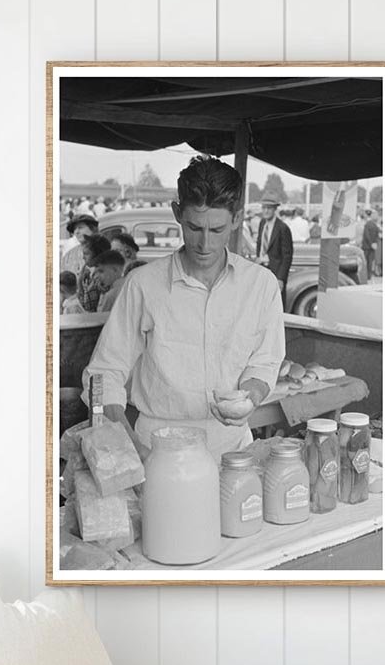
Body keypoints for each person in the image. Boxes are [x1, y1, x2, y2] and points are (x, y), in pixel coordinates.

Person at [84, 155, 285, 459]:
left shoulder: (261, 285)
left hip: (232, 450)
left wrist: (250, 396)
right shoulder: (143, 285)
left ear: (237, 219)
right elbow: (104, 374)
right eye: (194, 227)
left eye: (217, 230)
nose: (205, 244)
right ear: (177, 213)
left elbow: (266, 360)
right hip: (156, 448)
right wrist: (131, 447)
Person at [254, 197, 293, 305]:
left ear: (275, 209)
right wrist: (258, 257)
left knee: (275, 305)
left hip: (275, 272)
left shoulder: (282, 228)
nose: (266, 211)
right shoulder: (262, 223)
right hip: (262, 269)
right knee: (261, 303)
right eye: (264, 208)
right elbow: (260, 242)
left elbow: (287, 256)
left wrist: (281, 278)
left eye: (269, 208)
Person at [75, 234, 114, 312]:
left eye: (86, 254)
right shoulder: (93, 273)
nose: (83, 257)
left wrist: (79, 282)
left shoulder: (101, 277)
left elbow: (88, 307)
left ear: (98, 255)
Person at [362, 209, 381, 277]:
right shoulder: (374, 225)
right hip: (371, 246)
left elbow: (366, 235)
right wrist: (374, 243)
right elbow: (376, 235)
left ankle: (366, 275)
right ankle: (368, 275)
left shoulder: (368, 224)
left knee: (366, 261)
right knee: (370, 261)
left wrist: (371, 243)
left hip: (367, 246)